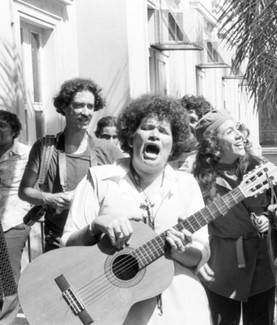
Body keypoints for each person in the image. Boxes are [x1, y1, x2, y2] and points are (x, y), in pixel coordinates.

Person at [60, 94, 211, 324]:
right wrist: (95, 226)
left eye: (164, 131)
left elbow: (199, 256)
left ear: (173, 147)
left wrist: (180, 250)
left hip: (180, 311)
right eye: (147, 127)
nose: (154, 134)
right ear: (131, 139)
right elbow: (67, 247)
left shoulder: (187, 185)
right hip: (113, 310)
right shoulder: (99, 179)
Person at [193, 110, 277, 325]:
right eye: (230, 131)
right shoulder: (196, 180)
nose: (240, 135)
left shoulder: (259, 167)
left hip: (260, 263)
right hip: (221, 267)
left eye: (238, 128)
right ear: (213, 144)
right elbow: (191, 224)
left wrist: (269, 217)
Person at [19, 78, 123, 252]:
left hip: (100, 245)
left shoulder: (107, 149)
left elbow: (129, 189)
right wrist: (52, 199)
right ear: (64, 107)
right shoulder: (45, 148)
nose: (86, 112)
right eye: (79, 105)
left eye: (90, 106)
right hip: (58, 243)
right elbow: (24, 191)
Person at [0, 110, 31, 324]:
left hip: (11, 223)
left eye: (2, 125)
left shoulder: (27, 154)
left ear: (14, 130)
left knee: (7, 278)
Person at [170, 95, 213, 172]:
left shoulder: (210, 157)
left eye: (192, 120)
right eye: (183, 120)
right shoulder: (167, 154)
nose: (187, 125)